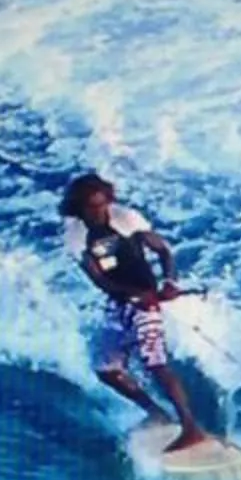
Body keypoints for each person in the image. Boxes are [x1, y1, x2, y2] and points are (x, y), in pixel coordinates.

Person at [61, 172, 212, 453]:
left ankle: (191, 428)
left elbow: (164, 251)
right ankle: (156, 413)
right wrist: (130, 296)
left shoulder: (126, 220)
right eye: (90, 208)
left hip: (147, 300)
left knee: (155, 362)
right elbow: (100, 281)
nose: (97, 212)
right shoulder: (76, 235)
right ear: (78, 208)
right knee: (107, 370)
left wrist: (168, 283)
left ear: (108, 200)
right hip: (120, 302)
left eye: (101, 204)